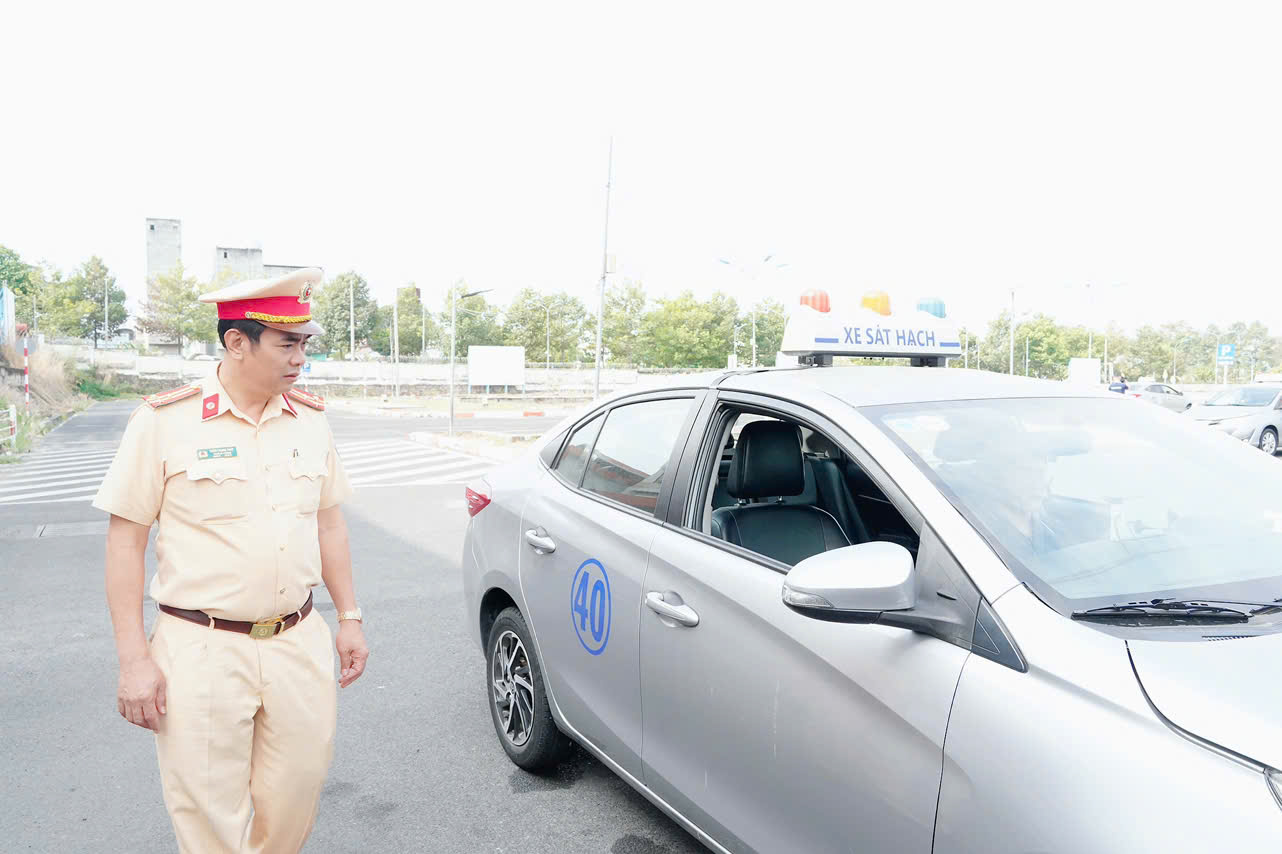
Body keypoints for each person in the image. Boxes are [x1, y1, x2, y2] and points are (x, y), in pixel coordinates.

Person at [94, 267, 369, 854]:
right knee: (208, 812)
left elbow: (329, 523)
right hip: (202, 645)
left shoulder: (310, 420)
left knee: (297, 791)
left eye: (305, 343)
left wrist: (349, 617)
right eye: (287, 343)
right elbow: (125, 542)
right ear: (237, 341)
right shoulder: (164, 421)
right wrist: (133, 660)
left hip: (297, 639)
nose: (301, 358)